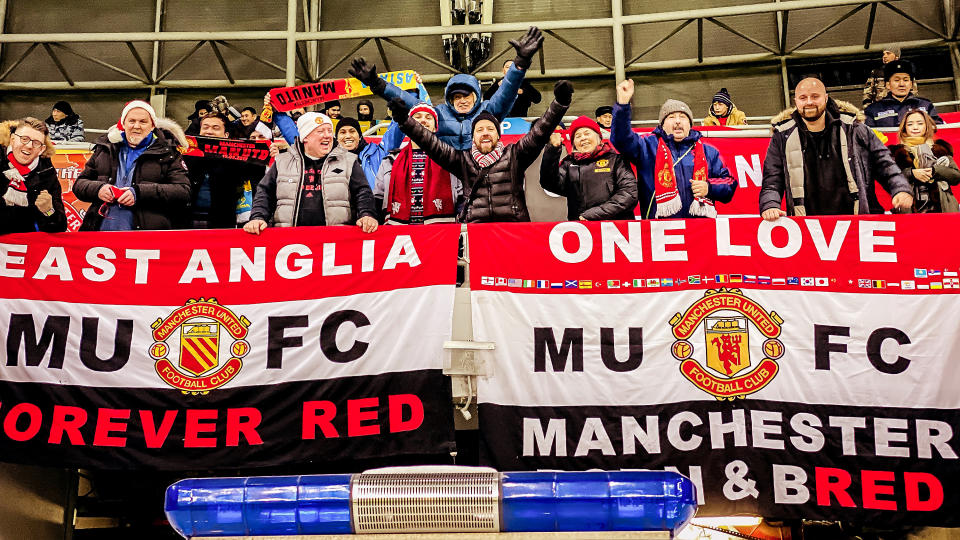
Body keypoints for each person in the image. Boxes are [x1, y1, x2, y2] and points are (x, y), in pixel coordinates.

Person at [389, 80, 573, 223]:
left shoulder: (515, 155)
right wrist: (405, 122)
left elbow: (539, 132)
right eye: (480, 130)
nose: (485, 133)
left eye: (490, 129)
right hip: (475, 233)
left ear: (498, 135)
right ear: (473, 136)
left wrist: (559, 104)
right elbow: (429, 142)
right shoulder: (462, 160)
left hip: (512, 229)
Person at [349, 26, 544, 150]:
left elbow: (507, 91)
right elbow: (406, 99)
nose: (462, 100)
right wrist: (376, 83)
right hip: (445, 176)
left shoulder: (488, 112)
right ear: (449, 100)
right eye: (456, 97)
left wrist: (521, 62)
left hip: (478, 172)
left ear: (477, 97)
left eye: (467, 95)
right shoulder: (437, 114)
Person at [759, 78, 913, 220]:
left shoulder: (855, 128)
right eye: (803, 98)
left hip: (857, 222)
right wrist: (770, 204)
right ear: (796, 101)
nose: (809, 102)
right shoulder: (782, 136)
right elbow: (772, 179)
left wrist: (900, 189)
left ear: (826, 98)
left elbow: (884, 163)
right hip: (807, 225)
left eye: (815, 96)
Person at [611, 81, 736, 219]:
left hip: (700, 232)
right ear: (662, 125)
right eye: (671, 117)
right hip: (659, 231)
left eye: (682, 117)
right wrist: (622, 105)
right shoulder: (646, 146)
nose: (677, 121)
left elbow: (729, 182)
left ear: (690, 124)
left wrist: (709, 187)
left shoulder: (709, 152)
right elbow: (621, 139)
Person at [244, 112, 377, 234]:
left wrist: (367, 215)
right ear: (305, 137)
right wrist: (258, 217)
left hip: (336, 242)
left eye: (329, 131)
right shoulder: (282, 162)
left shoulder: (349, 161)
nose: (327, 135)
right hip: (289, 241)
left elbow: (363, 192)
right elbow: (265, 192)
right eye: (320, 131)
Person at [74, 100, 190, 231]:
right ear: (123, 124)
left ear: (153, 126)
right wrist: (98, 189)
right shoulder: (105, 149)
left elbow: (182, 191)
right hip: (100, 233)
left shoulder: (168, 153)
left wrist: (139, 193)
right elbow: (79, 185)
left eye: (143, 122)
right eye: (132, 121)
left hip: (146, 236)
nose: (136, 126)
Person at [375, 103, 462, 224]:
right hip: (399, 235)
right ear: (408, 125)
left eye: (428, 117)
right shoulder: (390, 160)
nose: (423, 120)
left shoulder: (449, 158)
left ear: (435, 127)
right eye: (418, 116)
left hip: (440, 233)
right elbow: (378, 197)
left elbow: (462, 196)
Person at [540, 115, 637, 221]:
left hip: (615, 229)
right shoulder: (569, 163)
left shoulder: (616, 160)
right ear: (574, 144)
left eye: (587, 133)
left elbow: (629, 193)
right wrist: (552, 150)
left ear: (599, 138)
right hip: (583, 231)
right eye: (577, 136)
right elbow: (549, 183)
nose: (583, 138)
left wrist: (593, 214)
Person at [183, 112, 266, 229]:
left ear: (226, 135)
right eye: (205, 127)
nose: (209, 131)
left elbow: (260, 175)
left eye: (215, 128)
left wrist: (272, 156)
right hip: (186, 222)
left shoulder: (237, 159)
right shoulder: (185, 155)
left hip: (221, 223)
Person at [0, 117, 66, 233]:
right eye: (24, 139)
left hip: (21, 245)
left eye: (36, 143)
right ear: (12, 139)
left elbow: (59, 227)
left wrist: (49, 211)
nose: (29, 146)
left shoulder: (46, 173)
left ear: (42, 149)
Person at [888, 109, 959, 213]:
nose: (915, 127)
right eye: (910, 124)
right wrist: (912, 174)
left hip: (943, 208)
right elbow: (890, 179)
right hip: (910, 211)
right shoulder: (896, 152)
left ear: (927, 126)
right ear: (904, 128)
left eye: (920, 123)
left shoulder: (940, 149)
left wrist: (935, 171)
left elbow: (956, 177)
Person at [864, 59, 942, 127]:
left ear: (911, 84)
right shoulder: (873, 110)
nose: (901, 84)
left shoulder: (926, 105)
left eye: (905, 80)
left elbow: (939, 130)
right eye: (896, 80)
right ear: (888, 85)